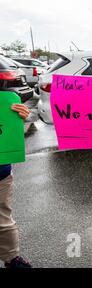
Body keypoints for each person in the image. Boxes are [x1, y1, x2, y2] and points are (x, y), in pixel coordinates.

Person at [0, 103, 32, 268]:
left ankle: (12, 258)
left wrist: (19, 120)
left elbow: (10, 134)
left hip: (1, 173)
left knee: (3, 219)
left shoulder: (6, 98)